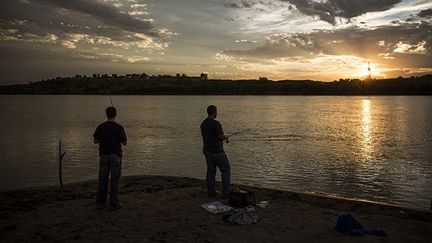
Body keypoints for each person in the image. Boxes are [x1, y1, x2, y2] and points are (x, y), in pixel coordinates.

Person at [93, 106, 127, 209]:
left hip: (104, 156)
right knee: (115, 180)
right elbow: (124, 142)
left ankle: (100, 203)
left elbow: (95, 141)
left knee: (102, 179)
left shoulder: (101, 126)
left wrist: (103, 139)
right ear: (115, 114)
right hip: (116, 156)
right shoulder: (119, 127)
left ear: (106, 114)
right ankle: (114, 203)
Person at [200, 105, 231, 197]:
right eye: (216, 111)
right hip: (217, 152)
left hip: (207, 151)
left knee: (210, 171)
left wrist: (222, 138)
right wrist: (225, 137)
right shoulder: (216, 123)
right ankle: (226, 191)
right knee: (226, 170)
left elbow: (211, 136)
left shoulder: (203, 123)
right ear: (214, 112)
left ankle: (211, 191)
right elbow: (221, 137)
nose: (217, 113)